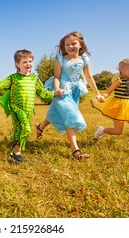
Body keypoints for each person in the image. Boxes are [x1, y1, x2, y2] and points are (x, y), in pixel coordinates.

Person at [36, 31, 105, 161]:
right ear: (64, 46)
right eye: (67, 44)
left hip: (75, 91)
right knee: (71, 116)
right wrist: (57, 89)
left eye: (73, 43)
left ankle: (40, 127)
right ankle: (76, 151)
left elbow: (89, 78)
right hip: (62, 90)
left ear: (80, 45)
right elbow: (56, 77)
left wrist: (98, 94)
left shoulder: (84, 59)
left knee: (55, 113)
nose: (70, 46)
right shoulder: (60, 59)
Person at [0, 49, 54, 163]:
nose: (28, 64)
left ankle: (14, 152)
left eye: (30, 61)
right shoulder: (13, 78)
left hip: (28, 109)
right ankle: (17, 152)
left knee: (18, 130)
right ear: (17, 64)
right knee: (26, 129)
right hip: (16, 108)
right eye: (25, 62)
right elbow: (0, 84)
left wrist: (55, 94)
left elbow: (42, 92)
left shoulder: (34, 78)